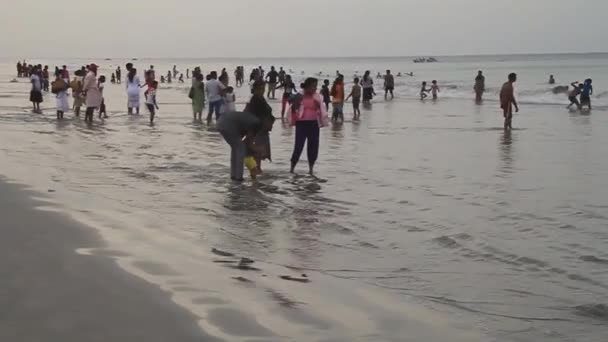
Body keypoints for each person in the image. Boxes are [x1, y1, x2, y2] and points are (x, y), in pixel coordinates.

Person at [217, 110, 275, 182]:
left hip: (221, 122)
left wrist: (254, 151)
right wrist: (259, 150)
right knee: (240, 148)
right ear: (266, 120)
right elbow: (249, 143)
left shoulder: (253, 121)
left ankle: (234, 176)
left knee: (236, 148)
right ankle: (238, 178)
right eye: (271, 124)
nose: (271, 128)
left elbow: (246, 142)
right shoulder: (257, 123)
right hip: (227, 124)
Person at [289, 78, 328, 175]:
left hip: (313, 124)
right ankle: (292, 168)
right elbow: (292, 109)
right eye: (313, 86)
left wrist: (319, 107)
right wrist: (295, 104)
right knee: (298, 146)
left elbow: (322, 110)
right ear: (307, 86)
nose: (315, 88)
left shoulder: (317, 97)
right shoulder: (299, 96)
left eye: (316, 86)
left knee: (313, 147)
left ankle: (311, 169)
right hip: (301, 124)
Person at [244, 80, 274, 172]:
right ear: (256, 89)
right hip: (258, 129)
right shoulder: (256, 99)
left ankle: (256, 170)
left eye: (263, 88)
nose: (263, 90)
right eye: (261, 89)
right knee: (258, 151)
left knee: (258, 152)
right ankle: (256, 171)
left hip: (260, 129)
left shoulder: (259, 98)